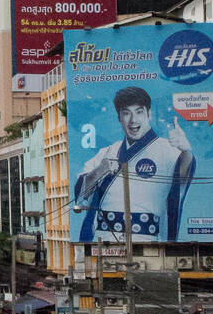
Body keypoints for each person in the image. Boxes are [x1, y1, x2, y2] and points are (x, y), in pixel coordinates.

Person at [72, 85, 195, 244]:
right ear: (119, 117)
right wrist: (99, 171)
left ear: (149, 114)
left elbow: (182, 176)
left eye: (139, 112)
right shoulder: (107, 152)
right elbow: (81, 196)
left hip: (148, 239)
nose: (133, 120)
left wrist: (187, 151)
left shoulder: (169, 150)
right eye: (126, 113)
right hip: (104, 238)